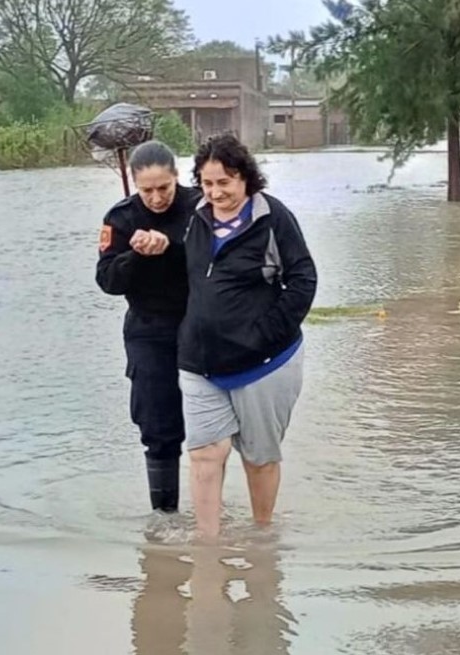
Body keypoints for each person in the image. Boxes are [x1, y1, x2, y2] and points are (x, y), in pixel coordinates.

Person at [177, 134, 317, 540]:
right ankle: (207, 544)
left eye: (225, 182)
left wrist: (263, 335)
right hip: (199, 362)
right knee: (205, 454)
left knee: (259, 458)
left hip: (264, 364)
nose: (215, 192)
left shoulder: (273, 218)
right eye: (207, 183)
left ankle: (262, 540)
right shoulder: (194, 217)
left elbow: (303, 281)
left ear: (246, 178)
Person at [96, 141, 203, 514]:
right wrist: (136, 256)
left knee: (213, 425)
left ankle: (215, 516)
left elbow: (215, 263)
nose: (157, 198)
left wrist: (170, 246)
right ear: (135, 184)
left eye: (164, 188)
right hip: (148, 329)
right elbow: (108, 281)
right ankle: (164, 517)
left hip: (200, 323)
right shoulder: (121, 218)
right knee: (158, 426)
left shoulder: (200, 206)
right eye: (147, 191)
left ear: (176, 177)